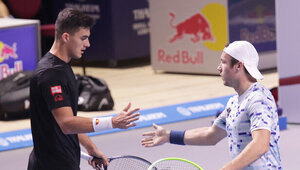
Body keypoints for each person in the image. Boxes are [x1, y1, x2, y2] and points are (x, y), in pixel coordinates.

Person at [28, 8, 140, 170]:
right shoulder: (51, 74)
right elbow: (67, 123)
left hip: (61, 160)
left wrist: (90, 147)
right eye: (83, 38)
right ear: (66, 37)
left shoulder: (61, 67)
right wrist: (112, 122)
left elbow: (67, 117)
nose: (88, 44)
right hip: (53, 164)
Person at [141, 41, 281, 170]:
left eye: (223, 62)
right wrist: (169, 136)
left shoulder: (258, 99)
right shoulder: (234, 102)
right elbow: (212, 134)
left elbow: (261, 145)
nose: (219, 68)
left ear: (238, 65)